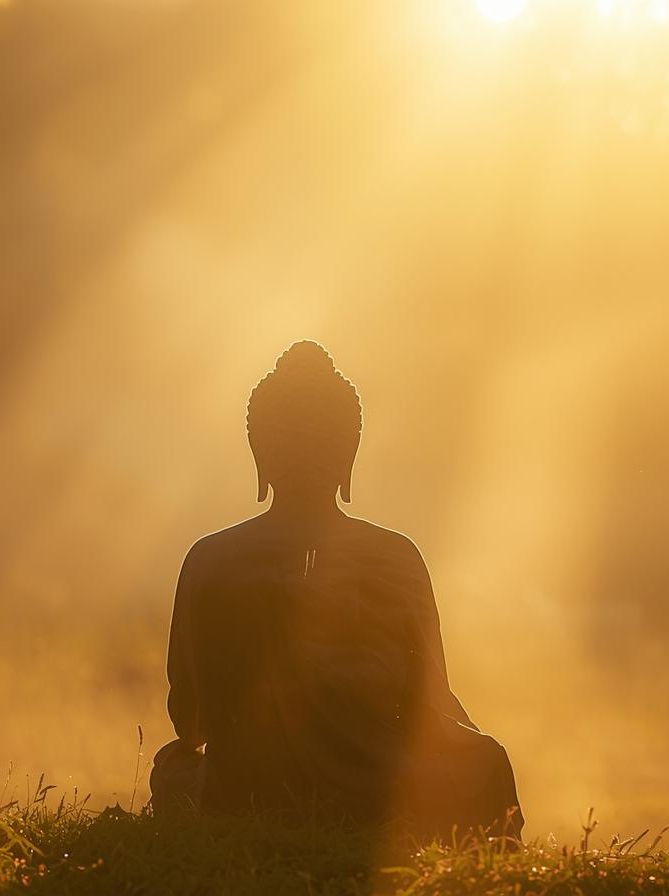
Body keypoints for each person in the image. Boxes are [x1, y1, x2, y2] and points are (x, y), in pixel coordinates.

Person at [149, 340, 523, 840]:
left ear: (261, 453)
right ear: (348, 456)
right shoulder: (396, 556)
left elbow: (189, 724)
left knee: (172, 767)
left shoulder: (210, 557)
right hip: (374, 793)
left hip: (242, 794)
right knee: (486, 762)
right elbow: (429, 703)